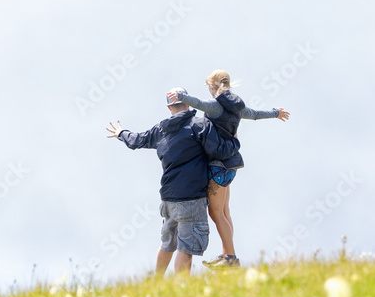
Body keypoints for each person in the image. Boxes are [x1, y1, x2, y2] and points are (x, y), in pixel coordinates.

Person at [106, 90, 241, 276]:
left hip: (168, 200)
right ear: (187, 103)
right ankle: (182, 289)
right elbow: (219, 151)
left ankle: (156, 283)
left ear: (169, 107)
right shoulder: (200, 125)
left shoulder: (160, 129)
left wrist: (121, 132)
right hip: (192, 199)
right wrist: (235, 143)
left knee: (167, 245)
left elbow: (137, 140)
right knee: (185, 249)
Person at [167, 70, 290, 269]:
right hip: (230, 164)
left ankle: (231, 259)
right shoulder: (237, 107)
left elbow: (197, 103)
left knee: (216, 214)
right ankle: (227, 254)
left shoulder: (215, 106)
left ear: (212, 86)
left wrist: (181, 97)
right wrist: (276, 113)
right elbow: (256, 115)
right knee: (224, 211)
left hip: (217, 166)